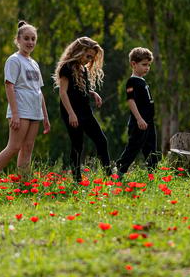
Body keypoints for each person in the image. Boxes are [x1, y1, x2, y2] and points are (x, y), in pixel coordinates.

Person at [0, 21, 50, 191]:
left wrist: (45, 116)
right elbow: (9, 85)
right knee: (14, 146)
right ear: (18, 39)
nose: (30, 42)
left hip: (35, 111)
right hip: (21, 110)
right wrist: (15, 114)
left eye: (33, 39)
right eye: (26, 38)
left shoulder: (34, 63)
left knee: (28, 147)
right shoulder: (14, 60)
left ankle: (24, 186)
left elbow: (39, 91)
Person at [53, 36, 111, 183]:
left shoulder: (83, 69)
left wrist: (93, 93)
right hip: (71, 112)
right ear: (79, 51)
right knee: (77, 144)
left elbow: (80, 89)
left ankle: (109, 175)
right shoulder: (67, 67)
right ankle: (77, 179)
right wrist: (71, 114)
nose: (88, 60)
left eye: (91, 58)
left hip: (85, 111)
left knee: (101, 141)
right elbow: (63, 93)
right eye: (88, 56)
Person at [116, 47, 159, 177]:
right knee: (133, 148)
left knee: (151, 149)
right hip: (139, 122)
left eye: (149, 65)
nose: (147, 68)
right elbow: (131, 101)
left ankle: (153, 174)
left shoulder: (142, 81)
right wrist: (139, 119)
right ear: (133, 64)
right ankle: (120, 170)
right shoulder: (131, 82)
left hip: (148, 122)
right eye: (144, 65)